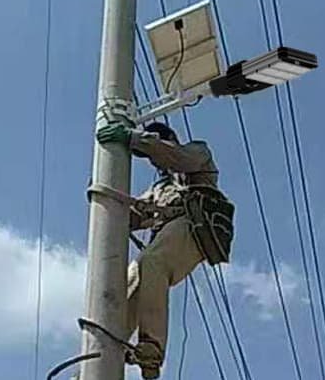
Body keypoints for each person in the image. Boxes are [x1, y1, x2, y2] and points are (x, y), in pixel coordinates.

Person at [95, 121, 234, 379]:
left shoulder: (196, 153)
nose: (154, 160)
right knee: (130, 283)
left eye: (154, 146)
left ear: (168, 138)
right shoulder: (159, 189)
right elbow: (132, 217)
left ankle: (151, 349)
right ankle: (99, 357)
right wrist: (103, 194)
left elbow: (177, 158)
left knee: (152, 262)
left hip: (194, 226)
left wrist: (135, 139)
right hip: (171, 233)